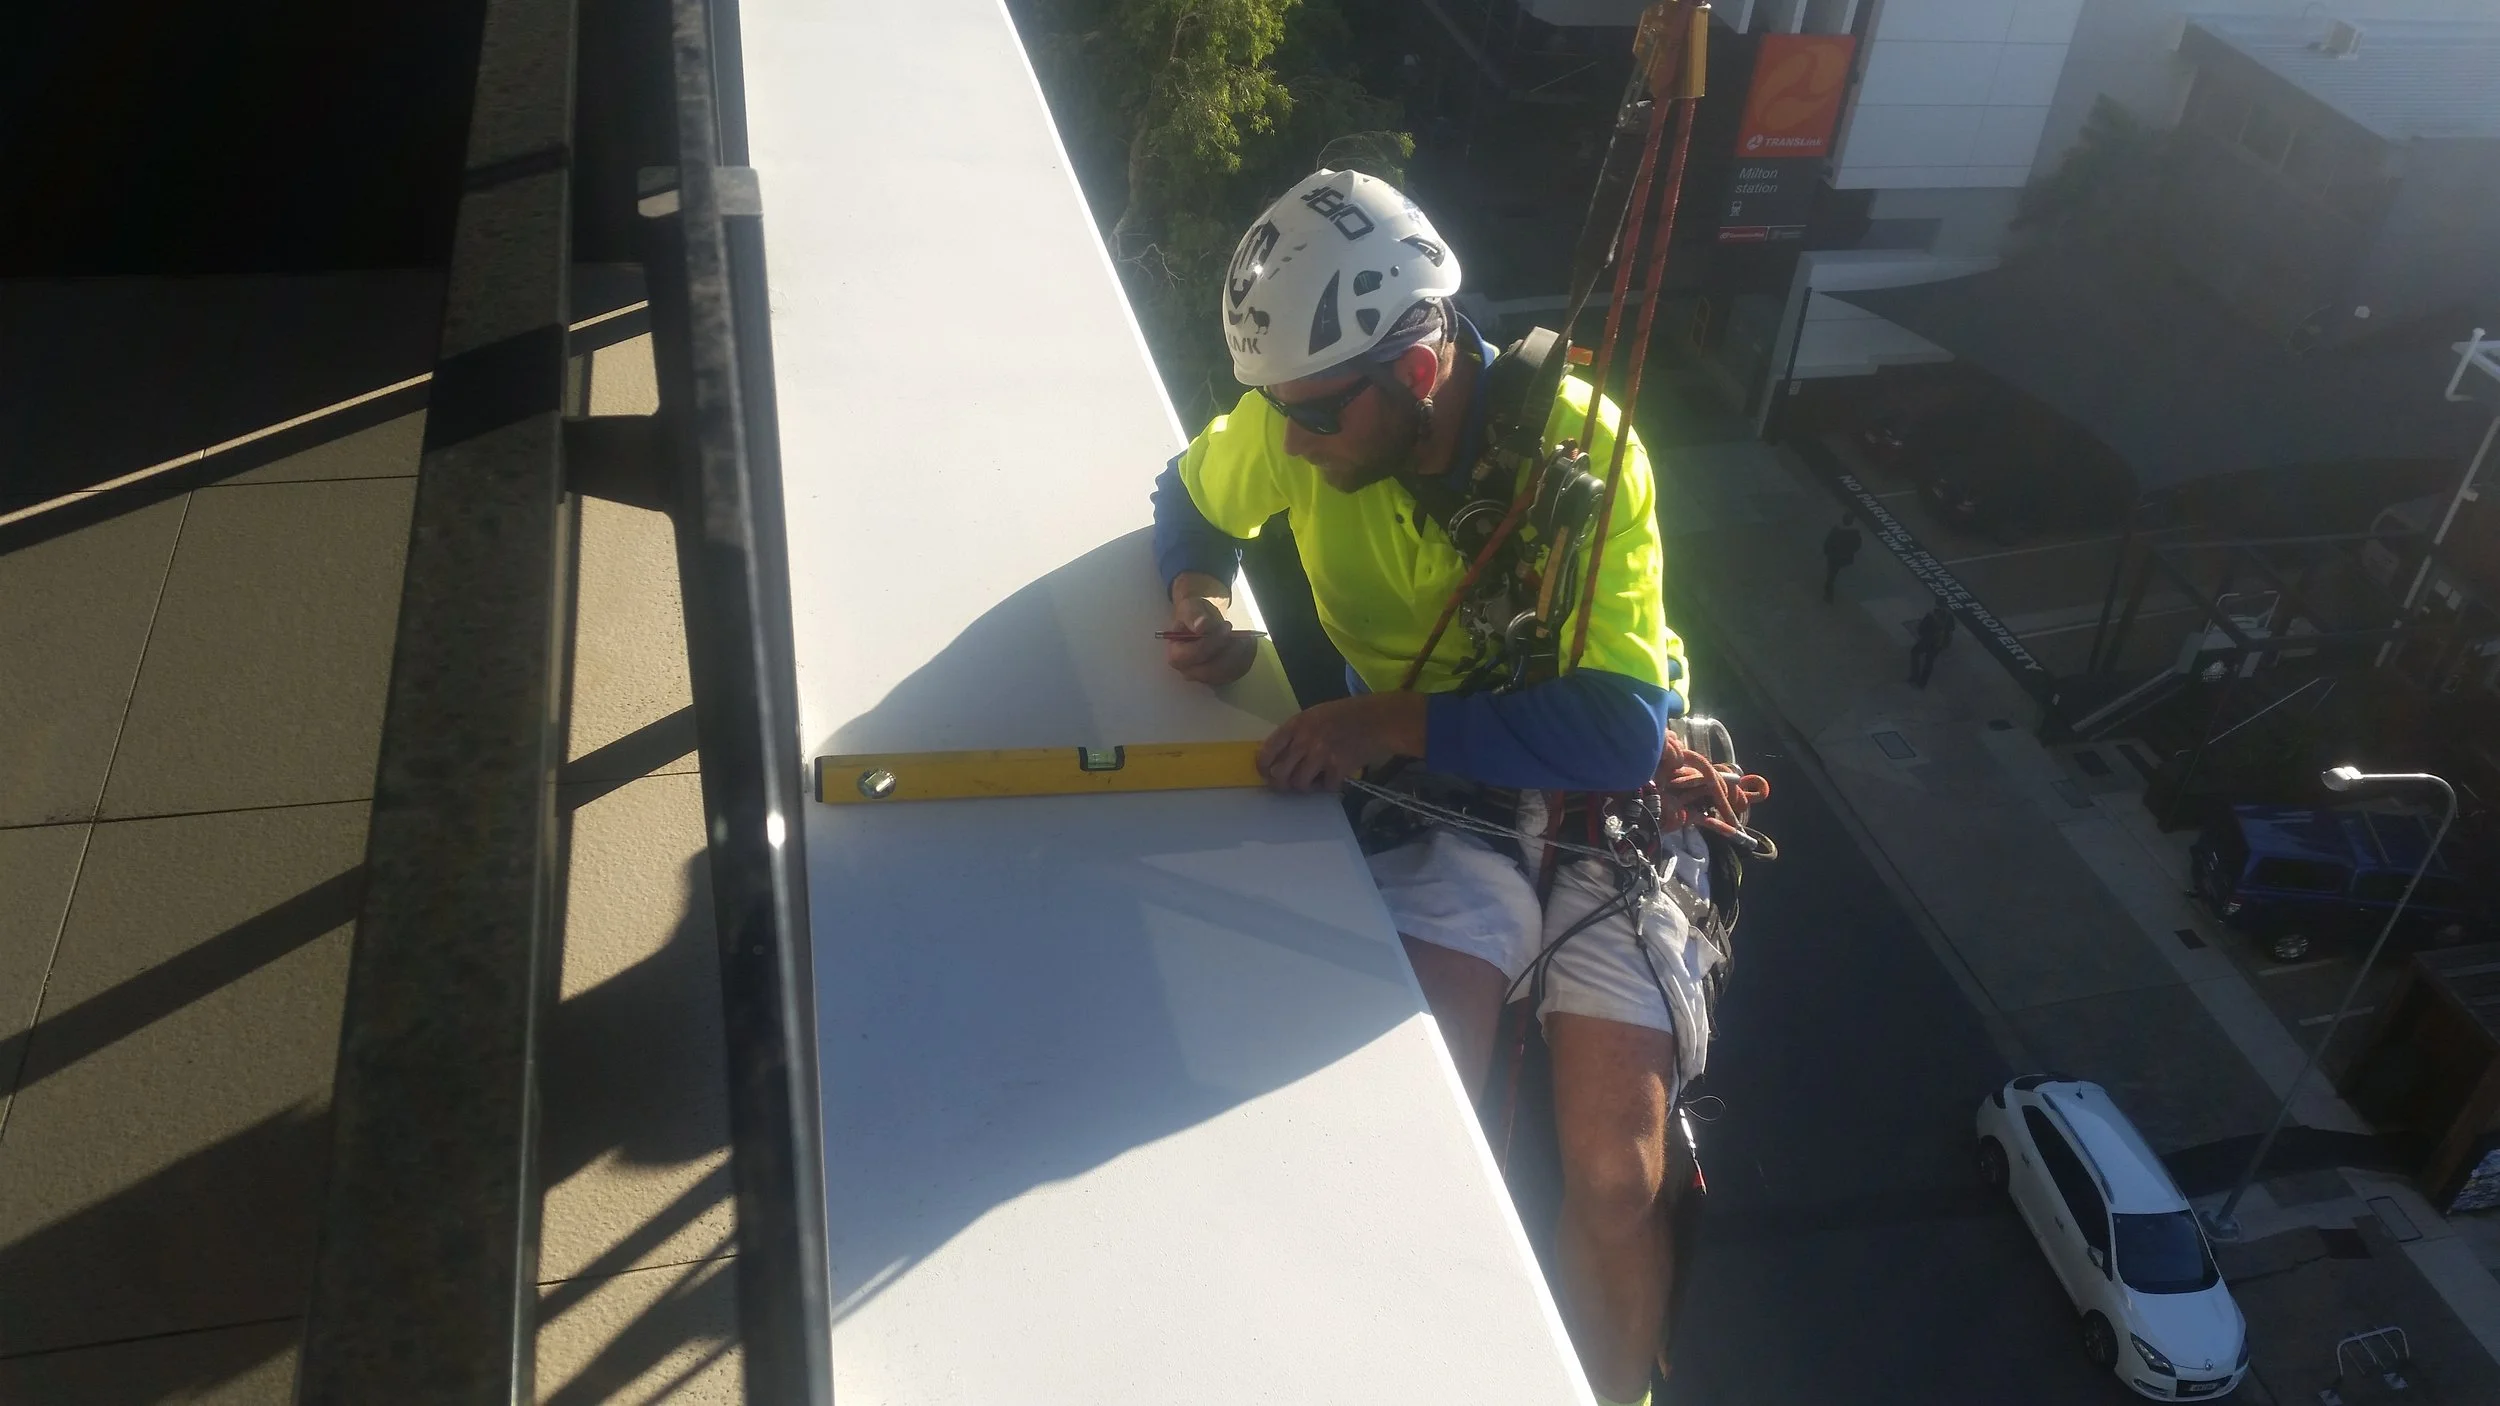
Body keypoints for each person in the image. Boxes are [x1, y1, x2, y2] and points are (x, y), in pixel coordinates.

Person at [1152, 169, 1705, 1406]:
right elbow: (1186, 497)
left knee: (1614, 1170)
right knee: (1416, 1114)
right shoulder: (1305, 407)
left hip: (1602, 800)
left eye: (1312, 417)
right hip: (1439, 786)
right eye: (1278, 413)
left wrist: (1374, 720)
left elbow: (1619, 729)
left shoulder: (1584, 456)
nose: (1290, 443)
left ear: (1413, 371)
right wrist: (1201, 600)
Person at [1910, 599, 1954, 687]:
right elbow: (1952, 628)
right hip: (1939, 643)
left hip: (1927, 641)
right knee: (1929, 661)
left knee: (1915, 652)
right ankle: (1922, 683)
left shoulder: (1931, 615)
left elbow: (1922, 628)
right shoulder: (1949, 617)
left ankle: (1915, 676)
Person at [1819, 512, 1861, 603]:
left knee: (1831, 575)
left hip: (1834, 556)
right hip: (1844, 557)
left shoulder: (1837, 530)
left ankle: (1829, 594)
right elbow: (1857, 545)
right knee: (1833, 573)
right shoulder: (1855, 533)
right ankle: (1829, 590)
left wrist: (1827, 551)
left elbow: (1829, 541)